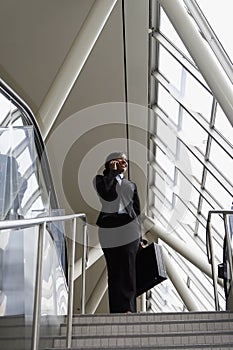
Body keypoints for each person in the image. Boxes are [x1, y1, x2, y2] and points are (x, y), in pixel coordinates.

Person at [93, 152, 142, 313]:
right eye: (121, 160)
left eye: (126, 160)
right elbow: (108, 195)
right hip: (109, 226)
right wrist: (112, 174)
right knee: (114, 268)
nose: (125, 162)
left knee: (128, 266)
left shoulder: (131, 184)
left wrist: (140, 237)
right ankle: (116, 310)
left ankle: (128, 308)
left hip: (129, 227)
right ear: (110, 162)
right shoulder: (100, 180)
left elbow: (136, 211)